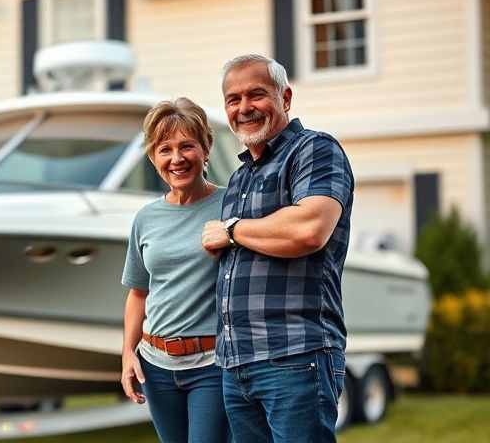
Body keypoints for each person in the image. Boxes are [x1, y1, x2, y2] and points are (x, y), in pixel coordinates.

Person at [201, 54, 354, 442]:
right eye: (233, 100)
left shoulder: (314, 150)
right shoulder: (238, 178)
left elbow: (310, 229)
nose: (244, 107)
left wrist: (232, 230)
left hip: (295, 355)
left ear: (285, 97)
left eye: (257, 94)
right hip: (237, 364)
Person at [121, 97, 230, 443]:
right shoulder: (145, 219)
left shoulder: (231, 204)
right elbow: (138, 292)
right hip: (155, 366)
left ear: (206, 148)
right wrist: (128, 353)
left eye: (187, 146)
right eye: (164, 149)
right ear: (153, 158)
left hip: (212, 366)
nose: (177, 158)